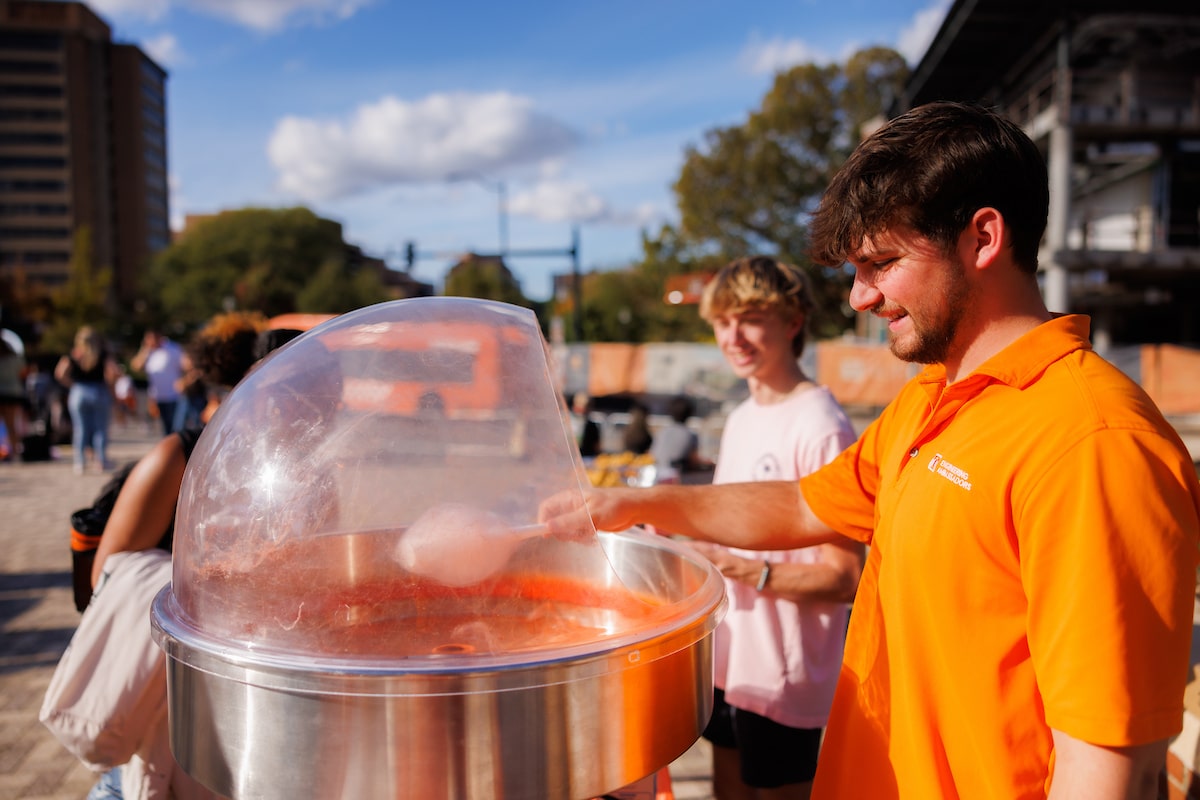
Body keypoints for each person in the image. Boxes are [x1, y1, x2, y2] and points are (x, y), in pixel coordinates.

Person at [542, 101, 1200, 799]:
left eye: (881, 264)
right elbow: (802, 503)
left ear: (983, 238)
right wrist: (636, 505)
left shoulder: (1093, 446)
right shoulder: (931, 400)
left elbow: (1105, 766)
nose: (859, 297)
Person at [690, 256, 862, 800]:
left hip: (785, 674)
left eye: (750, 318)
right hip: (728, 659)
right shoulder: (741, 419)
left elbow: (845, 576)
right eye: (722, 321)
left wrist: (745, 569)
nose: (732, 336)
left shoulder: (821, 426)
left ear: (793, 322)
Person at [84, 311, 268, 800]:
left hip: (248, 685)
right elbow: (106, 575)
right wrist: (215, 580)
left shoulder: (288, 465)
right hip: (172, 687)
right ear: (252, 381)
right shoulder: (175, 456)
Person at [55, 327, 119, 474]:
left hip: (79, 392)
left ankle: (80, 462)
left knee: (80, 428)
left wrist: (73, 385)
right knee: (100, 429)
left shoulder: (75, 354)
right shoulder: (102, 354)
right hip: (99, 391)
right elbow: (114, 373)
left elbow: (59, 373)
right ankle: (101, 461)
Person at [131, 328, 183, 435]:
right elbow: (136, 367)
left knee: (175, 426)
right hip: (157, 395)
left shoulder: (173, 349)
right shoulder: (148, 352)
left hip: (173, 394)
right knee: (165, 426)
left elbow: (184, 366)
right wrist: (144, 351)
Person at [649, 395, 708, 482]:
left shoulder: (662, 432)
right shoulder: (690, 434)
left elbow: (652, 454)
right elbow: (694, 461)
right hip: (675, 478)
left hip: (656, 474)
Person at [0, 335, 26, 461]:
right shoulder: (15, 359)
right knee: (11, 425)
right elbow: (23, 372)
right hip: (12, 393)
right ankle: (16, 453)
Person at [570, 391, 601, 457]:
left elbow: (596, 447)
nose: (582, 411)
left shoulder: (592, 426)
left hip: (586, 459)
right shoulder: (567, 423)